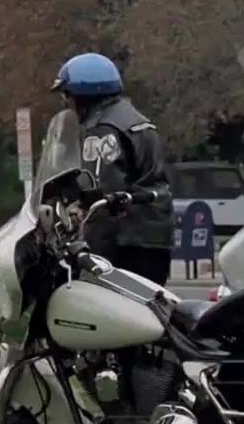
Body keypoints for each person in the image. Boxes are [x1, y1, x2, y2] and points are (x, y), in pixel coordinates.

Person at [51, 52, 174, 284]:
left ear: (82, 95)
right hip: (156, 237)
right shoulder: (136, 120)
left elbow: (100, 195)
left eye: (67, 94)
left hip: (124, 242)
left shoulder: (101, 131)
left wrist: (91, 252)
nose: (66, 102)